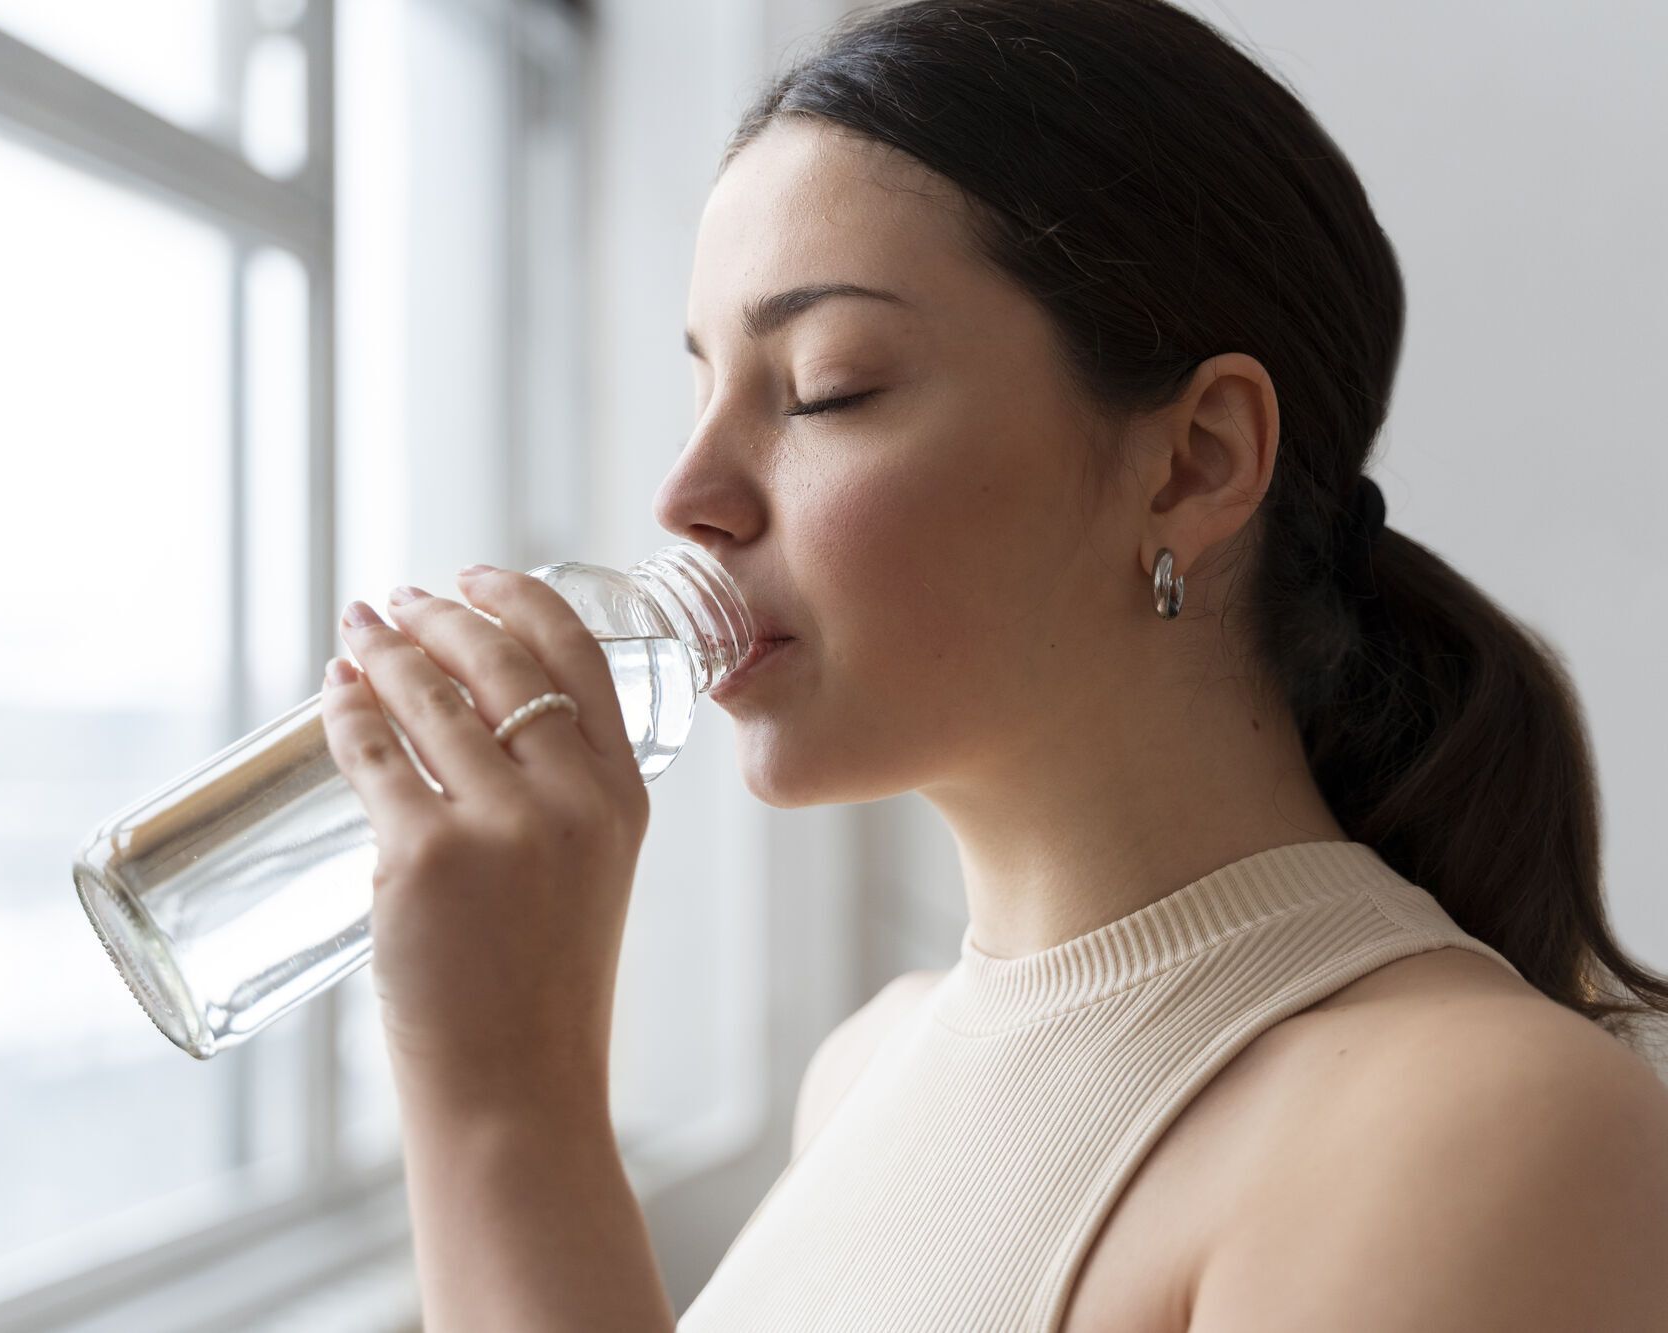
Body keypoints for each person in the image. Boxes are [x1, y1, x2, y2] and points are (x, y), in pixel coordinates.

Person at [317, 2, 1668, 1328]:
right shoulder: (865, 1067)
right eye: (701, 387)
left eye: (828, 385)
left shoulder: (1483, 1128)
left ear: (1196, 461)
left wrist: (503, 1103)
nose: (686, 493)